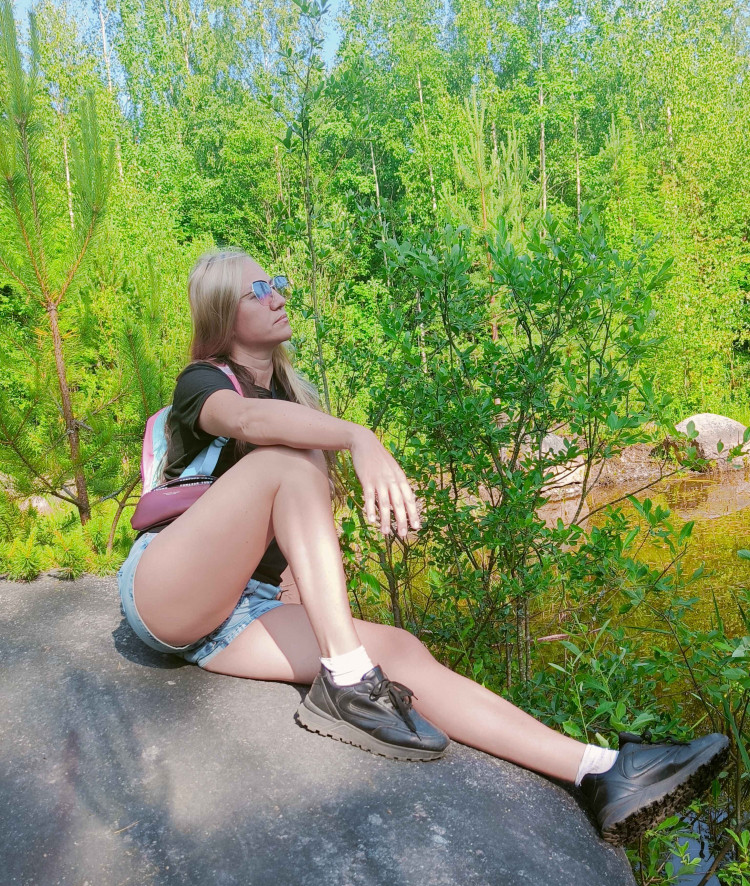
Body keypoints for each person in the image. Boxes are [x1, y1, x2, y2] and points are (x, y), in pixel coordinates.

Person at [117, 247, 728, 847]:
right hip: (169, 588)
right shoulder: (203, 382)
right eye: (258, 290)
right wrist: (358, 437)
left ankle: (598, 772)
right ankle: (347, 684)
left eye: (276, 282)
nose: (278, 296)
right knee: (290, 463)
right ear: (224, 315)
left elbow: (294, 554)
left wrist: (318, 619)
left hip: (238, 614)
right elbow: (246, 423)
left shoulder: (290, 401)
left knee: (400, 650)